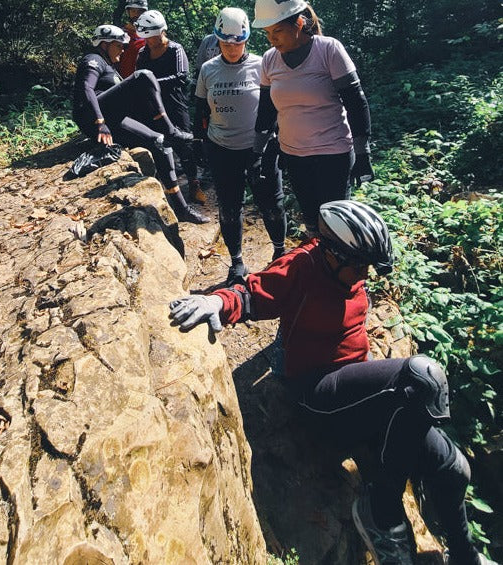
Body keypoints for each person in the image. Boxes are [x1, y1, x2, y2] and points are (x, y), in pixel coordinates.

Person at [169, 200, 497, 565]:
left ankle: (465, 556)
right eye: (358, 265)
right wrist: (216, 302)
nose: (364, 275)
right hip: (318, 391)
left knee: (453, 469)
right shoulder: (304, 266)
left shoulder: (347, 270)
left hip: (356, 386)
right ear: (332, 254)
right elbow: (251, 294)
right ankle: (382, 514)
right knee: (423, 377)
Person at [252, 0, 375, 236]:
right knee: (311, 221)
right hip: (294, 156)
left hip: (333, 155)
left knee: (335, 222)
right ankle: (317, 266)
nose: (272, 39)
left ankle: (340, 268)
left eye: (277, 31)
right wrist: (257, 153)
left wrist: (363, 152)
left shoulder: (328, 49)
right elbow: (266, 111)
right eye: (268, 33)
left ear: (298, 23)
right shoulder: (269, 59)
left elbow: (355, 102)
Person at [72, 24, 209, 224]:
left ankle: (181, 209)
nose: (122, 50)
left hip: (112, 118)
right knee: (143, 76)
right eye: (119, 46)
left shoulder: (110, 65)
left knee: (160, 142)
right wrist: (99, 122)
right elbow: (86, 88)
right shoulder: (93, 59)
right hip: (94, 118)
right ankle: (171, 130)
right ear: (105, 44)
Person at [194, 7, 287, 286]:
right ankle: (236, 263)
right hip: (222, 148)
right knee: (229, 208)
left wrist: (278, 143)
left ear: (247, 39)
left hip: (259, 148)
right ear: (217, 41)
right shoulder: (208, 70)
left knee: (272, 204)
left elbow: (277, 107)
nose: (232, 49)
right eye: (225, 43)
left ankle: (280, 253)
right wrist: (199, 143)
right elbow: (200, 110)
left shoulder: (263, 65)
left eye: (237, 42)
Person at [135, 10, 206, 205]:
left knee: (184, 145)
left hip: (175, 104)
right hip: (152, 106)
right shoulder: (143, 53)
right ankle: (168, 189)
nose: (149, 41)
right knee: (159, 145)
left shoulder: (175, 49)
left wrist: (153, 82)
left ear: (162, 32)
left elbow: (182, 76)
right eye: (146, 38)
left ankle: (194, 184)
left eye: (152, 37)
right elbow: (138, 76)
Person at [113, 0, 148, 78]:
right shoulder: (119, 34)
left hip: (143, 82)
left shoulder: (150, 35)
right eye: (133, 11)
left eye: (140, 11)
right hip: (122, 83)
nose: (136, 14)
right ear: (128, 12)